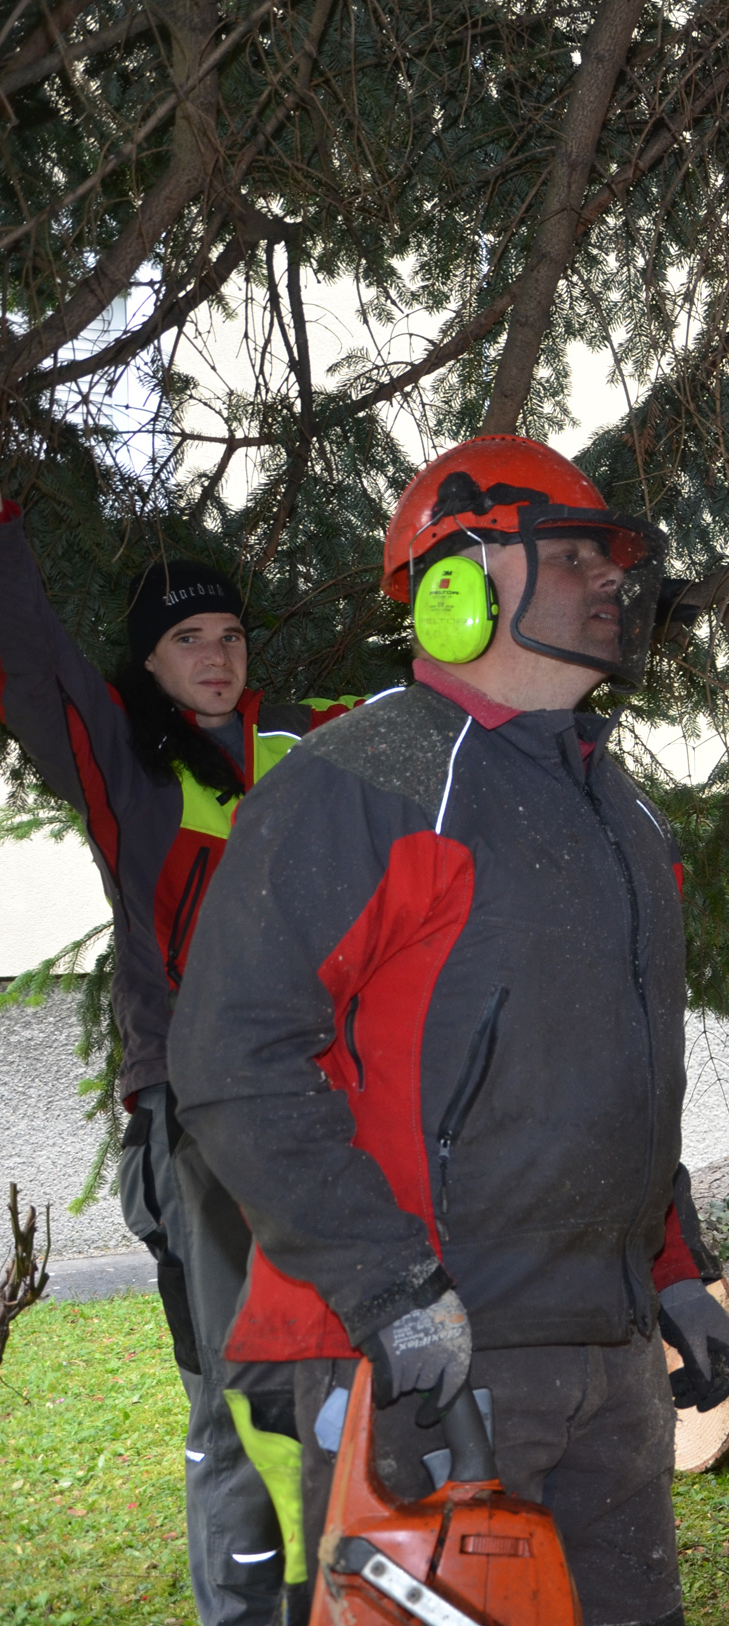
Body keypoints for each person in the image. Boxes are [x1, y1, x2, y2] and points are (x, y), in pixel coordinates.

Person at [166, 435, 729, 1626]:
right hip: (430, 1359)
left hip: (606, 1356)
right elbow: (231, 1060)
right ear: (458, 581)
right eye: (573, 554)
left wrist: (673, 1268)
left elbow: (616, 1080)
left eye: (607, 560)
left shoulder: (619, 810)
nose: (605, 584)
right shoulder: (358, 784)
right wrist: (388, 1288)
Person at [0, 497, 361, 1625]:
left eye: (229, 634)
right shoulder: (125, 763)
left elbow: (444, 721)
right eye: (185, 640)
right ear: (148, 664)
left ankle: (354, 1597)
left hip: (323, 1113)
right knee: (231, 1398)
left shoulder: (305, 737)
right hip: (196, 1122)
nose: (214, 655)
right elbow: (30, 657)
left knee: (346, 1385)